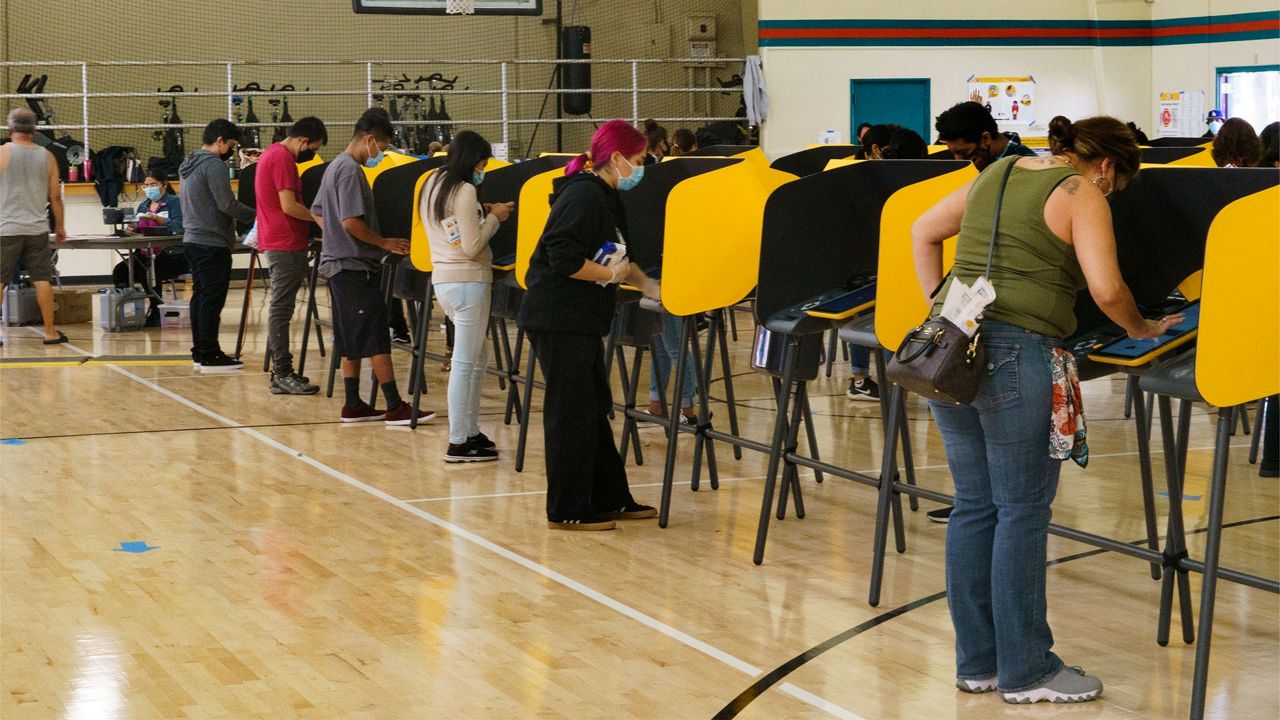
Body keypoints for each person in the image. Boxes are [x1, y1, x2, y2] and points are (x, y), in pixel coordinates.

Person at [910, 115, 1181, 704]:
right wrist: (1145, 327)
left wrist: (940, 309)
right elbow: (1107, 289)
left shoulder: (998, 171)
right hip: (1016, 355)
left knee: (974, 508)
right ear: (1107, 166)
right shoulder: (1081, 192)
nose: (1111, 194)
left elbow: (923, 230)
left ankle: (978, 663)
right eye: (1117, 184)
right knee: (1022, 512)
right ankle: (1028, 670)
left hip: (951, 351)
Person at [517, 119, 661, 531]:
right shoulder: (583, 195)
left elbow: (619, 258)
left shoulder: (604, 195)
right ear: (616, 159)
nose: (641, 168)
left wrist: (651, 286)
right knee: (571, 414)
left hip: (578, 319)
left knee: (594, 409)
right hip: (558, 318)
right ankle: (567, 509)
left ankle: (610, 497)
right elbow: (562, 256)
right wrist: (607, 277)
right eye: (638, 160)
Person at [311, 107, 434, 426]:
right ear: (369, 140)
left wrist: (335, 236)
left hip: (338, 264)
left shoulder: (333, 166)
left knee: (349, 337)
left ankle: (354, 403)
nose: (381, 154)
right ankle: (394, 405)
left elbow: (318, 212)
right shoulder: (350, 170)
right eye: (382, 146)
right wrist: (383, 242)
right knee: (376, 335)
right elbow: (351, 220)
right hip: (352, 267)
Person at [422, 130, 512, 462]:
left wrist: (477, 213)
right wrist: (493, 218)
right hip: (469, 281)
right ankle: (458, 441)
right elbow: (472, 247)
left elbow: (454, 227)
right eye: (483, 163)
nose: (483, 169)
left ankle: (471, 430)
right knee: (464, 363)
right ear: (472, 161)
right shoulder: (464, 189)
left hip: (444, 281)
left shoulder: (433, 182)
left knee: (476, 360)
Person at [844, 124, 930, 401]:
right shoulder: (909, 187)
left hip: (874, 268)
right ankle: (885, 381)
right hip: (887, 269)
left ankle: (885, 381)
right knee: (894, 320)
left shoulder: (861, 180)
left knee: (888, 318)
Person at [256, 116, 328, 395]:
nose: (310, 155)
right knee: (282, 307)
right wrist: (318, 219)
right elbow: (288, 205)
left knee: (282, 306)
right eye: (313, 148)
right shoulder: (282, 158)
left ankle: (281, 373)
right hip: (284, 242)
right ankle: (283, 372)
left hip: (283, 240)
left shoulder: (272, 154)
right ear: (303, 141)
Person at [180, 119, 256, 372]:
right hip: (211, 242)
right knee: (212, 299)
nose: (231, 152)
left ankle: (200, 351)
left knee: (200, 297)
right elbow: (227, 204)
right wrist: (259, 216)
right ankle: (211, 354)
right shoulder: (213, 165)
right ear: (220, 141)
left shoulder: (190, 164)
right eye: (231, 146)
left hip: (193, 239)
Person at [0, 108, 67, 345]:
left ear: (10, 128)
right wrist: (60, 226)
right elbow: (55, 197)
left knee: (0, 279)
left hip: (6, 228)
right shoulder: (47, 156)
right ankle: (50, 332)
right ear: (34, 129)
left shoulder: (2, 153)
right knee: (42, 279)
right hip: (37, 227)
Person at [112, 171, 186, 326]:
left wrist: (159, 220)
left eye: (152, 184)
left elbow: (179, 227)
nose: (148, 188)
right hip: (145, 252)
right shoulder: (144, 205)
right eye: (146, 185)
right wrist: (133, 228)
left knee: (149, 271)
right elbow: (139, 226)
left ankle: (156, 310)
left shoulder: (174, 202)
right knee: (121, 270)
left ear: (163, 185)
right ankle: (125, 311)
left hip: (171, 253)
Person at [935, 101, 1037, 172]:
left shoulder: (1027, 168)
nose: (959, 160)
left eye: (963, 152)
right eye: (954, 153)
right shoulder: (991, 164)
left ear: (986, 139)